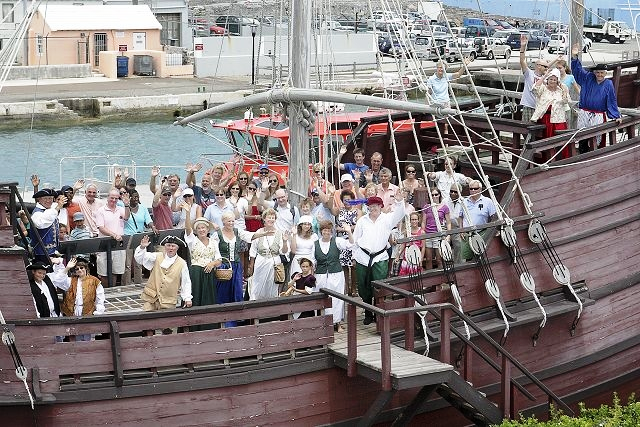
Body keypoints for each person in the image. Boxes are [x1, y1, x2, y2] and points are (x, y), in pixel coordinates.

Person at [353, 193, 406, 325]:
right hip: (363, 257)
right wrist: (355, 257)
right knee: (363, 286)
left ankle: (378, 313)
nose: (373, 208)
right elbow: (354, 240)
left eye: (376, 205)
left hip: (380, 257)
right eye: (371, 206)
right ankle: (368, 313)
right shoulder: (362, 221)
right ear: (368, 207)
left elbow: (400, 214)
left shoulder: (387, 219)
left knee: (379, 286)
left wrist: (399, 202)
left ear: (381, 206)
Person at [571, 43, 622, 152]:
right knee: (582, 137)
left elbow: (611, 100)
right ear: (594, 73)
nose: (599, 75)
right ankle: (582, 154)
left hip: (598, 115)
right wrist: (575, 56)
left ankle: (596, 155)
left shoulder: (608, 84)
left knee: (598, 139)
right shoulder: (588, 78)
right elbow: (578, 71)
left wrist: (616, 115)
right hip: (584, 113)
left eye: (601, 73)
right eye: (597, 72)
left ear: (605, 73)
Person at [215, 211, 266, 307]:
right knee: (224, 291)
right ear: (223, 222)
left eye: (232, 221)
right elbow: (214, 250)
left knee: (237, 289)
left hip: (236, 266)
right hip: (223, 266)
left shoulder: (237, 231)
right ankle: (222, 315)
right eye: (228, 221)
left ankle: (237, 317)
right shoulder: (217, 234)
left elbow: (249, 236)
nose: (231, 223)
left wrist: (262, 234)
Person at [50, 256, 104, 340]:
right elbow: (57, 280)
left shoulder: (95, 281)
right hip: (72, 313)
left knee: (88, 339)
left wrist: (98, 312)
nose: (79, 270)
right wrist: (67, 268)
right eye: (77, 269)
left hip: (88, 313)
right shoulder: (71, 280)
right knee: (74, 338)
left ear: (86, 268)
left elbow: (100, 298)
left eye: (81, 267)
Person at [135, 234, 193, 311]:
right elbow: (140, 259)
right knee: (147, 319)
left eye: (173, 246)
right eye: (168, 245)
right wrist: (142, 247)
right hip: (151, 297)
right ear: (165, 247)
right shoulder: (157, 256)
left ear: (177, 248)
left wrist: (187, 298)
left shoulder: (182, 263)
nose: (170, 248)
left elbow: (186, 282)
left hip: (168, 301)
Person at [247, 208, 290, 300]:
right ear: (264, 219)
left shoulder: (280, 233)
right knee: (257, 285)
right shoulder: (259, 232)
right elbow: (253, 250)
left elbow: (284, 251)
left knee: (272, 286)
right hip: (261, 261)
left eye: (273, 217)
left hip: (274, 263)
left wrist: (285, 242)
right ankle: (255, 305)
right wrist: (251, 265)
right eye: (269, 217)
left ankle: (271, 308)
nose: (271, 219)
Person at [531, 67, 571, 157]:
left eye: (554, 79)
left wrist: (564, 90)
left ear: (557, 81)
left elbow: (566, 101)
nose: (552, 81)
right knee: (544, 140)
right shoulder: (543, 89)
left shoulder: (561, 90)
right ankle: (544, 160)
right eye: (551, 79)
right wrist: (544, 75)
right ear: (547, 80)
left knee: (560, 140)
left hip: (558, 119)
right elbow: (534, 89)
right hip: (544, 119)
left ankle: (560, 159)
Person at [184, 214, 221, 307]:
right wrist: (187, 213)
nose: (201, 230)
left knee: (208, 299)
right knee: (196, 296)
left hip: (209, 274)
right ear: (196, 231)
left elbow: (219, 260)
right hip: (196, 273)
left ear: (208, 229)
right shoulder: (193, 241)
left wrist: (212, 263)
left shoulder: (214, 242)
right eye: (199, 228)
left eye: (203, 227)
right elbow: (188, 229)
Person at [95, 188, 130, 287]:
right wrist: (113, 235)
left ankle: (112, 291)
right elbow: (101, 227)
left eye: (116, 198)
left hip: (118, 245)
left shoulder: (120, 209)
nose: (114, 200)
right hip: (105, 245)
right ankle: (105, 293)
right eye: (112, 198)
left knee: (115, 271)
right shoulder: (101, 210)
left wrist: (126, 204)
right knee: (104, 273)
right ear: (107, 198)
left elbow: (127, 217)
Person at [122, 189, 155, 286]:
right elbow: (125, 218)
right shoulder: (123, 207)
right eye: (134, 197)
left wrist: (153, 226)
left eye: (137, 197)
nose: (136, 199)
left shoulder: (143, 208)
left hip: (139, 237)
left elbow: (148, 220)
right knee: (127, 264)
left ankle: (138, 283)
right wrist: (126, 204)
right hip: (127, 237)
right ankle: (126, 285)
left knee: (138, 262)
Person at [460, 180, 497, 261]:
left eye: (475, 189)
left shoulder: (488, 201)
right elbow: (460, 216)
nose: (473, 191)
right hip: (467, 234)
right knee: (467, 257)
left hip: (482, 233)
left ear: (480, 189)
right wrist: (461, 230)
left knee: (480, 255)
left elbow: (493, 217)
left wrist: (491, 231)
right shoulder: (464, 201)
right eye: (471, 189)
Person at [333, 191, 360, 296]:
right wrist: (343, 229)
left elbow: (358, 226)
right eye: (345, 200)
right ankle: (346, 288)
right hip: (342, 241)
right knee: (344, 266)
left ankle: (353, 289)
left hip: (353, 239)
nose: (347, 202)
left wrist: (344, 228)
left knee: (353, 266)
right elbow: (336, 226)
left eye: (349, 200)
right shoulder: (339, 211)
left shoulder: (358, 211)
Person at [29, 188, 64, 263]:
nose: (48, 201)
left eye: (50, 198)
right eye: (45, 198)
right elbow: (41, 224)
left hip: (53, 252)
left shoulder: (50, 210)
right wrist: (57, 208)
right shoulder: (37, 213)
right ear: (39, 199)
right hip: (41, 253)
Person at [519, 34, 549, 122]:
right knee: (526, 130)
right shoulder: (529, 74)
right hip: (529, 106)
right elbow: (522, 61)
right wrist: (523, 47)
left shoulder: (546, 78)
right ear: (539, 66)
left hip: (540, 108)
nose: (547, 69)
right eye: (545, 67)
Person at [421, 188, 451, 269]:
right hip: (428, 235)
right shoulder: (426, 207)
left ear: (439, 195)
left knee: (439, 259)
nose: (434, 196)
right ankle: (429, 278)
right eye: (432, 195)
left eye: (436, 194)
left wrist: (448, 235)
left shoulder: (444, 208)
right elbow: (423, 222)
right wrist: (423, 232)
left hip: (439, 235)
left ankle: (441, 277)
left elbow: (448, 222)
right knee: (428, 259)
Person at [446, 184, 465, 264]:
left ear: (460, 192)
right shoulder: (445, 201)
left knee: (459, 247)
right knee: (445, 247)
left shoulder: (463, 202)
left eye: (455, 192)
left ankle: (459, 266)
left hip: (458, 228)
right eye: (451, 191)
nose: (453, 193)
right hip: (447, 228)